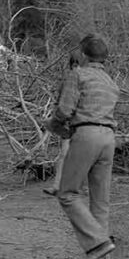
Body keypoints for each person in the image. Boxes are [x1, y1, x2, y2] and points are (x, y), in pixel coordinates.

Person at [47, 34, 120, 259]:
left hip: (86, 135)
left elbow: (65, 110)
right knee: (100, 201)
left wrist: (54, 126)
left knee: (68, 193)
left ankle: (98, 243)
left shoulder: (77, 74)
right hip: (109, 138)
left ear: (84, 54)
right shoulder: (110, 81)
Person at [43, 49, 87, 196]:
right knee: (65, 154)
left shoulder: (83, 79)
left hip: (81, 124)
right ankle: (58, 185)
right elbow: (61, 102)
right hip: (71, 124)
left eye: (77, 63)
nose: (76, 67)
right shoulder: (70, 79)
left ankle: (73, 186)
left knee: (75, 155)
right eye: (74, 64)